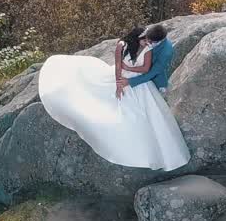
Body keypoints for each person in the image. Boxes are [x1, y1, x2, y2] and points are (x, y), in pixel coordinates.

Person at [38, 24, 190, 171]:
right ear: (139, 37)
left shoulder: (163, 50)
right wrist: (119, 84)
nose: (147, 43)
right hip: (123, 78)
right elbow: (118, 66)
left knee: (151, 115)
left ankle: (159, 152)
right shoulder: (124, 45)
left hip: (142, 81)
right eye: (145, 40)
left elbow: (149, 70)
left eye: (150, 41)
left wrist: (130, 77)